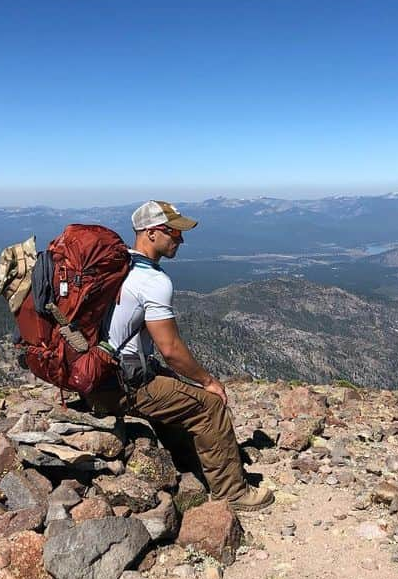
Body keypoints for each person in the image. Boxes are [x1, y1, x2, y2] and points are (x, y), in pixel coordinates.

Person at [86, 199, 274, 512]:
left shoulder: (116, 269)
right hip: (118, 385)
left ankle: (189, 462)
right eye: (173, 232)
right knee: (210, 406)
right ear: (150, 233)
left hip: (95, 375)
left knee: (171, 383)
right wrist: (209, 381)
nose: (180, 239)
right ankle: (233, 493)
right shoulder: (153, 281)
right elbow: (171, 349)